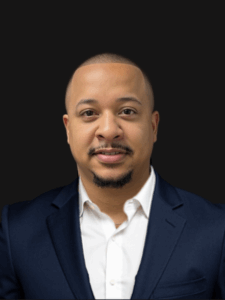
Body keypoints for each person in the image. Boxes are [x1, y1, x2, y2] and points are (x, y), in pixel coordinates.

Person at [0, 53, 225, 300]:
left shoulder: (216, 229)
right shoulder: (16, 231)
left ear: (153, 126)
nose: (108, 131)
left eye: (127, 111)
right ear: (68, 129)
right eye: (88, 113)